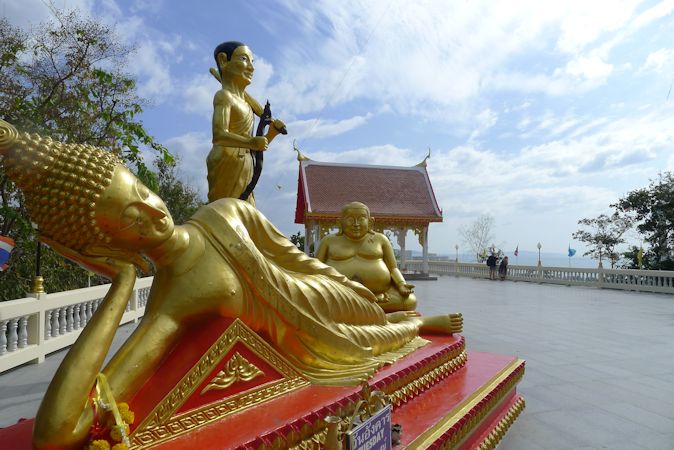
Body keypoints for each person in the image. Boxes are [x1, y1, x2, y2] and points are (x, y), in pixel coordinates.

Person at [0, 120, 463, 450]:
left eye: (141, 193)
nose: (154, 213)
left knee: (371, 313)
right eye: (129, 219)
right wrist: (121, 282)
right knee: (376, 339)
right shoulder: (169, 306)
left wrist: (355, 288)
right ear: (107, 246)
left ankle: (396, 316)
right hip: (316, 340)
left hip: (331, 297)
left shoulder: (226, 211)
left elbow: (297, 259)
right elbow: (58, 432)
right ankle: (416, 326)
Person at [206, 41, 285, 206]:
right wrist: (251, 142)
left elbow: (255, 149)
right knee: (227, 214)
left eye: (252, 62)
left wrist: (271, 133)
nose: (251, 67)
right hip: (226, 163)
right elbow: (219, 135)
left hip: (246, 167)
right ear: (223, 61)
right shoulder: (224, 96)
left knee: (246, 216)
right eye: (244, 59)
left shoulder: (247, 105)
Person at [316, 202, 417, 312]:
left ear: (370, 222)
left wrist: (401, 284)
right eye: (350, 219)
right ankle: (369, 309)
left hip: (379, 295)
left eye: (361, 219)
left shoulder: (381, 239)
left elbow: (393, 268)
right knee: (310, 299)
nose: (356, 224)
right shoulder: (329, 241)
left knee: (410, 301)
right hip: (336, 294)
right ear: (340, 222)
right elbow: (314, 268)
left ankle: (354, 309)